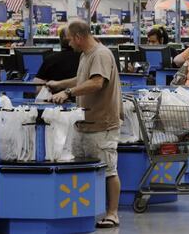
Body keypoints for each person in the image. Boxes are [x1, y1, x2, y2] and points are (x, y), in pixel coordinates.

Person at [47, 20, 123, 228]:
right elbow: (82, 78)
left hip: (102, 123)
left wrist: (68, 93)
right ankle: (90, 210)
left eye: (70, 40)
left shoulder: (100, 54)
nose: (69, 44)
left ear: (79, 37)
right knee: (86, 168)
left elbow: (97, 82)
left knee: (108, 170)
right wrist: (60, 84)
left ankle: (113, 213)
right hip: (85, 122)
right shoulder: (85, 55)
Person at [33, 27, 81, 93]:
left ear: (60, 41)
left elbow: (38, 86)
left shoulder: (50, 59)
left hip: (55, 100)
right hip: (80, 97)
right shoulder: (85, 57)